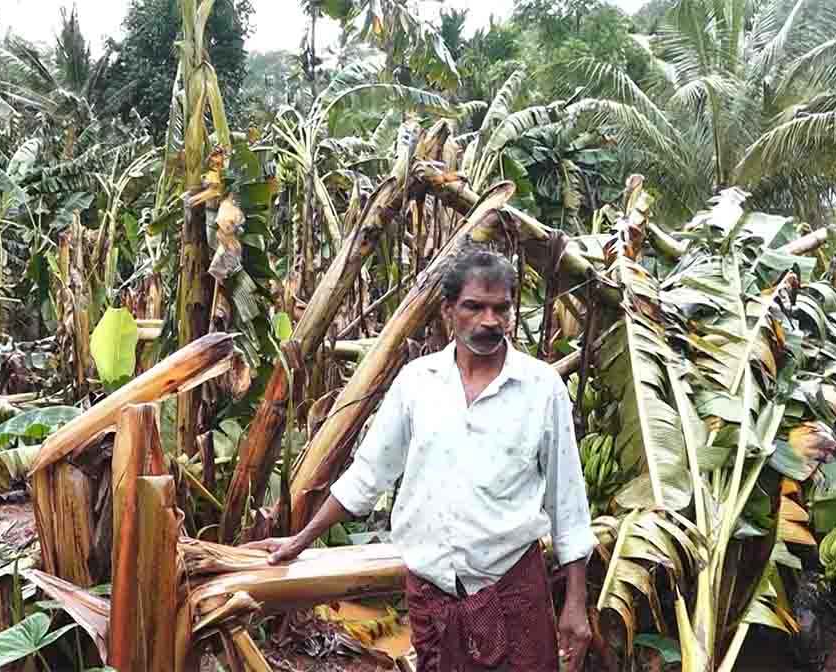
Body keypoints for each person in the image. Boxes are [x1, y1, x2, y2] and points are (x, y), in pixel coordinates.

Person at [245, 244, 597, 671]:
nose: (490, 321)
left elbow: (568, 503)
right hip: (433, 598)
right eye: (474, 307)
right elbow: (369, 474)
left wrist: (575, 603)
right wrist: (301, 539)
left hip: (511, 591)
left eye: (500, 308)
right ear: (448, 311)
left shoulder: (541, 388)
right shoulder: (417, 383)